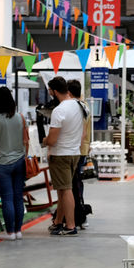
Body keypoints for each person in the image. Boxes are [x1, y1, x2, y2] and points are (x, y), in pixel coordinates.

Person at [0, 87, 29, 241]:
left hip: (1, 164)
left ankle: (9, 232)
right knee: (18, 197)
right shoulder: (20, 117)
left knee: (7, 198)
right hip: (19, 162)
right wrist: (25, 156)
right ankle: (18, 231)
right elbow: (26, 141)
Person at [42, 76, 84, 236]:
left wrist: (44, 140)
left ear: (53, 91)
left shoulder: (59, 110)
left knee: (66, 190)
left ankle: (70, 226)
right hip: (74, 153)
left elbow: (52, 140)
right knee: (62, 190)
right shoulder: (79, 105)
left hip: (60, 155)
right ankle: (58, 221)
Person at [68, 79, 92, 230]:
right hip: (83, 149)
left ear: (68, 93)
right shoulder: (86, 106)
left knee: (74, 184)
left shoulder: (77, 108)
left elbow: (81, 132)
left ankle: (79, 215)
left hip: (76, 149)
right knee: (77, 182)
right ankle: (78, 214)